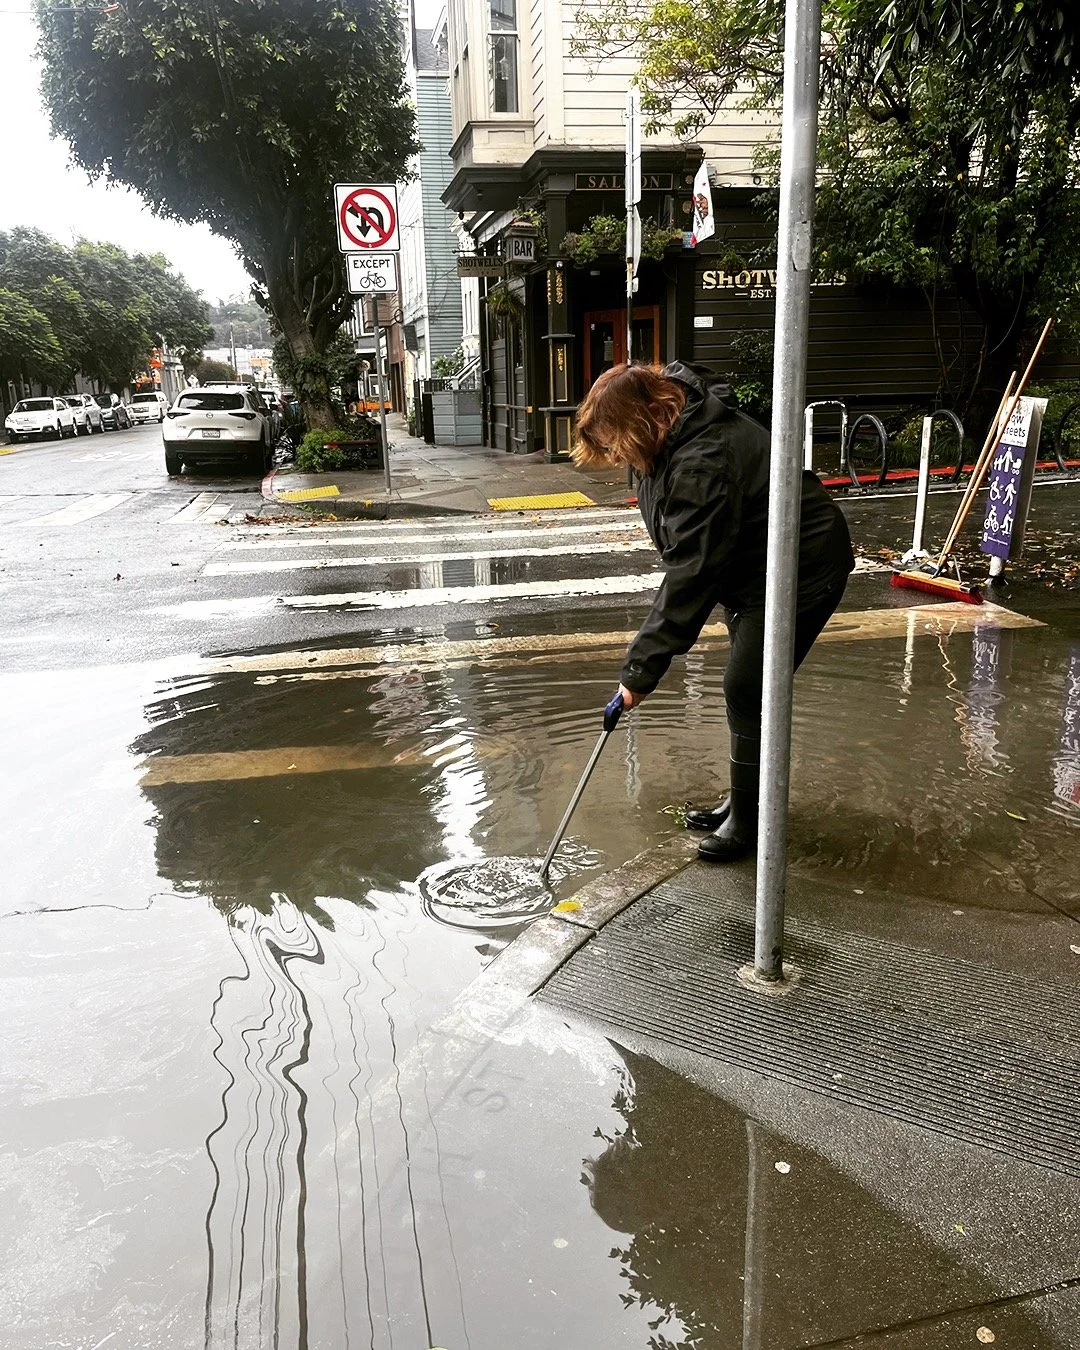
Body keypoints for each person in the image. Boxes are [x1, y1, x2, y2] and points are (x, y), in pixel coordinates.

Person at [572, 361, 854, 862]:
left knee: (747, 686)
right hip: (751, 573)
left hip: (800, 570)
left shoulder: (704, 458)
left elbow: (692, 573)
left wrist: (640, 672)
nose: (616, 456)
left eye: (615, 441)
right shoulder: (670, 437)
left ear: (641, 420)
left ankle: (750, 823)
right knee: (748, 688)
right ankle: (744, 801)